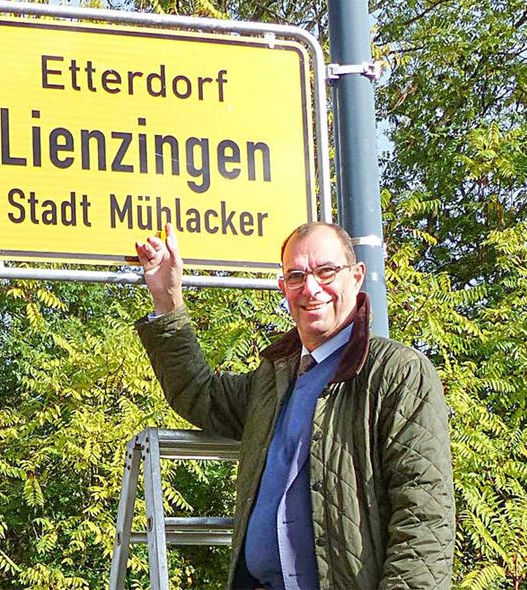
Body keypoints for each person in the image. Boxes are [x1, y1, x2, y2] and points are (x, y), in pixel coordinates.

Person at [133, 221, 454, 590]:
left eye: (326, 271)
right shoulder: (275, 378)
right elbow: (200, 393)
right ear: (283, 288)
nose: (311, 288)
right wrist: (167, 299)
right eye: (297, 275)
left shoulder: (395, 373)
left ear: (356, 276)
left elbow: (425, 519)